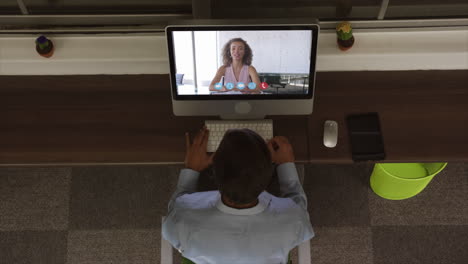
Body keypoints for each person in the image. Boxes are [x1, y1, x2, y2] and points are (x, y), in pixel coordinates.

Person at [162, 126, 315, 264]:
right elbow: (298, 205)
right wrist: (286, 164)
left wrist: (192, 168)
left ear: (213, 172)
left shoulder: (182, 220)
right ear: (269, 174)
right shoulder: (293, 222)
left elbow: (176, 207)